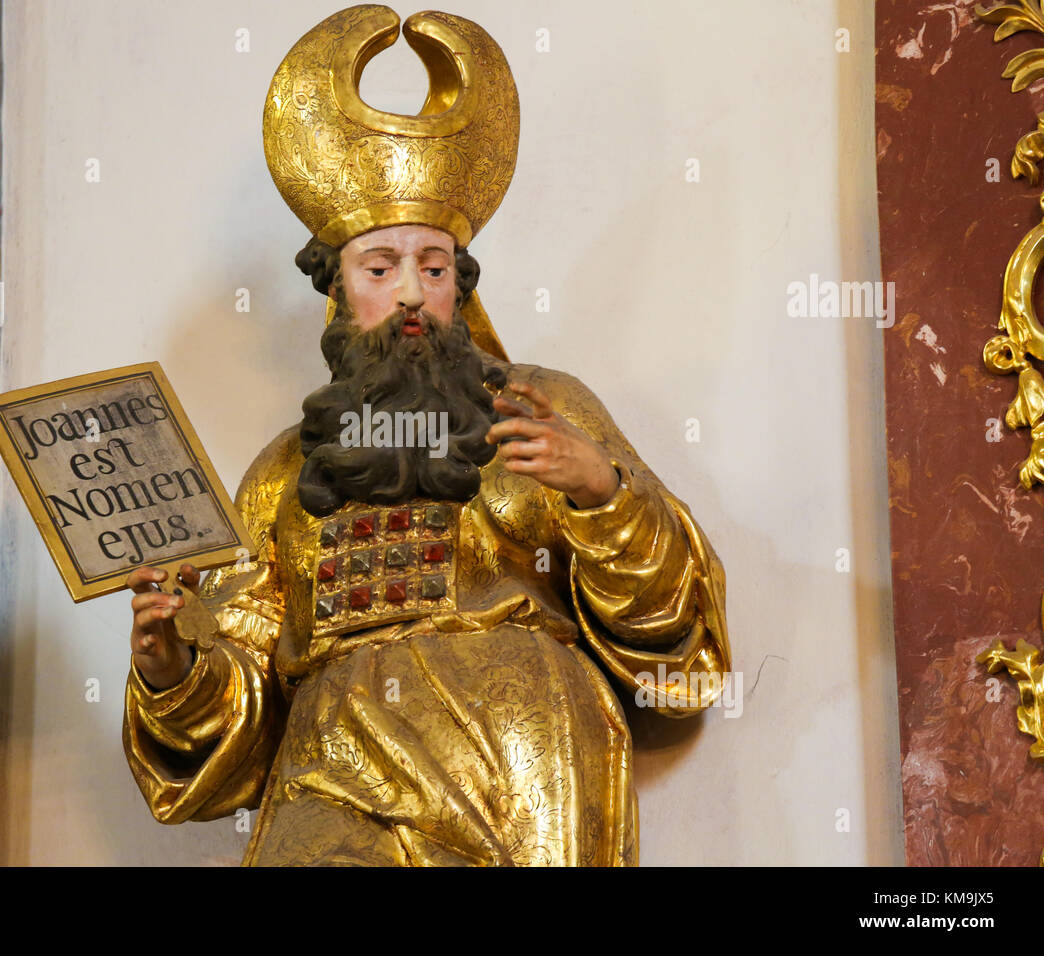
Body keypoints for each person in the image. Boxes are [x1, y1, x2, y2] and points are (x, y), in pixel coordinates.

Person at [121, 5, 731, 866]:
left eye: (435, 267)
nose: (412, 293)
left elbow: (681, 657)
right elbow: (241, 691)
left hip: (521, 759)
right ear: (339, 288)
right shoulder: (281, 474)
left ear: (459, 282)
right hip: (332, 762)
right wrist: (171, 665)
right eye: (381, 268)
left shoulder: (538, 406)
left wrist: (602, 494)